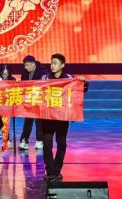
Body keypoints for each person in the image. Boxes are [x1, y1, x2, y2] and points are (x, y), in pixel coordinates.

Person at [40, 53, 89, 183]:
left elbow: (81, 89)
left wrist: (83, 82)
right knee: (47, 144)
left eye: (55, 63)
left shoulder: (69, 78)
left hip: (62, 117)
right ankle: (50, 171)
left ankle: (57, 170)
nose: (52, 66)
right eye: (51, 63)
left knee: (61, 144)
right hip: (47, 117)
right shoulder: (45, 78)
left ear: (62, 65)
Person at [18, 55, 48, 151]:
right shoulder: (24, 73)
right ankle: (24, 140)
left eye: (27, 65)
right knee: (28, 120)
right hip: (29, 100)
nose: (26, 67)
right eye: (25, 65)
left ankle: (39, 140)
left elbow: (45, 82)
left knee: (39, 121)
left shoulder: (42, 70)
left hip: (40, 99)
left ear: (33, 64)